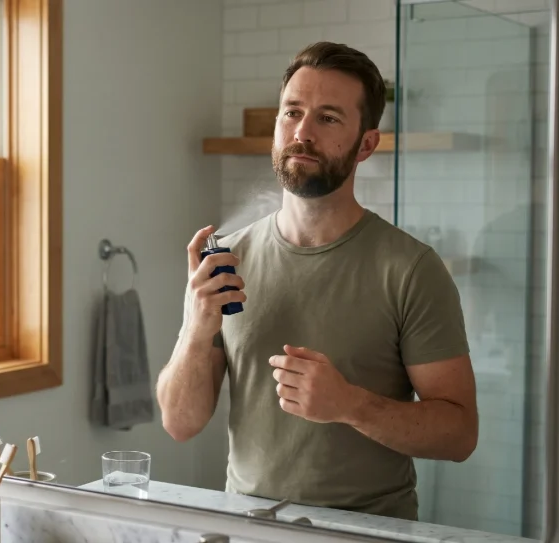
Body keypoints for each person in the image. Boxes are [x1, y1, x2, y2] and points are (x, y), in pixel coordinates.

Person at [155, 42, 478, 521]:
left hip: (367, 532)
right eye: (292, 112)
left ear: (366, 144)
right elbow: (179, 424)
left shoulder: (411, 269)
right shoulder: (229, 259)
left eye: (328, 118)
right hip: (250, 527)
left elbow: (459, 434)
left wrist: (350, 404)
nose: (302, 132)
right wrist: (195, 328)